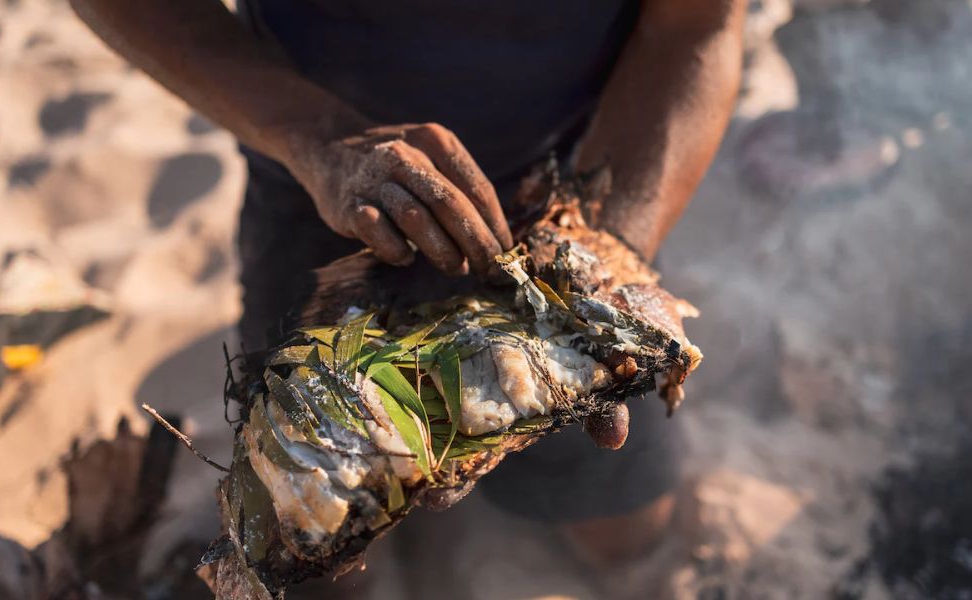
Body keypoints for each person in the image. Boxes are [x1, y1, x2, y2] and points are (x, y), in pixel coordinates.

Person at [70, 0, 746, 581]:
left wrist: (606, 253)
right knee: (308, 542)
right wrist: (316, 137)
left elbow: (697, 24)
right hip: (321, 179)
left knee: (624, 532)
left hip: (570, 183)